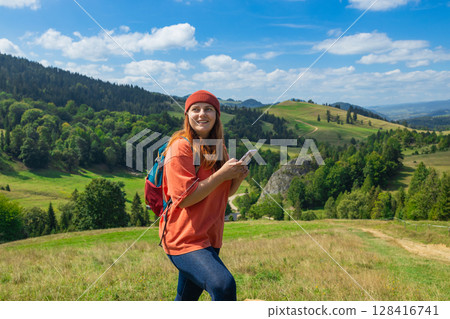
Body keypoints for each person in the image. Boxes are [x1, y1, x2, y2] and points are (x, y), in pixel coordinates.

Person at [160, 89, 248, 301]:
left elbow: (223, 192)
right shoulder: (180, 148)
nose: (202, 114)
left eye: (209, 109)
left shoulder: (218, 148)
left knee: (186, 300)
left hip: (209, 237)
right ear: (187, 116)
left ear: (217, 116)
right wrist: (222, 174)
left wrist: (237, 177)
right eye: (195, 109)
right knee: (224, 286)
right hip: (184, 239)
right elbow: (185, 198)